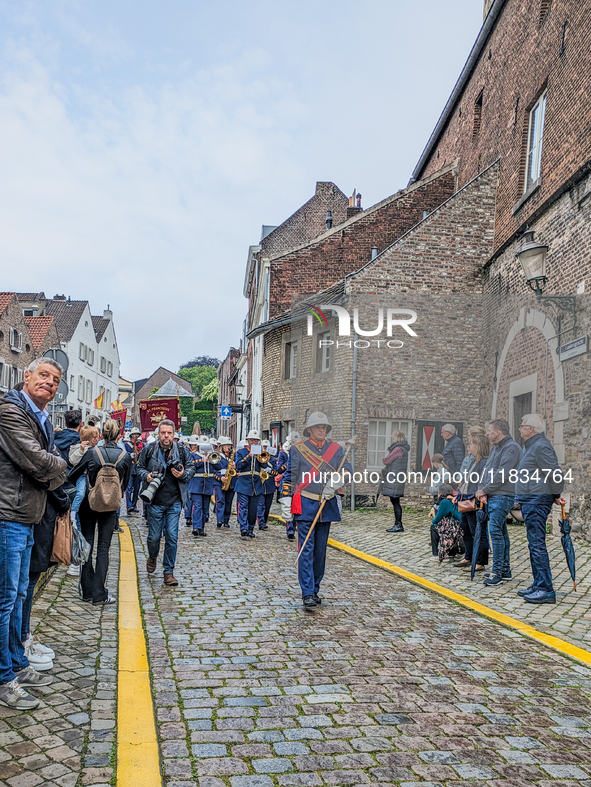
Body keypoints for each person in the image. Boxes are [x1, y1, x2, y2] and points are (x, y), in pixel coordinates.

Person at [0, 359, 67, 709]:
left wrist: (50, 468)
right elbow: (41, 463)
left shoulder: (40, 416)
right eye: (43, 376)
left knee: (20, 593)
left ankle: (17, 664)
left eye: (55, 380)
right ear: (26, 377)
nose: (49, 383)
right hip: (8, 515)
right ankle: (3, 678)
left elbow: (54, 467)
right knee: (6, 598)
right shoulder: (10, 412)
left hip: (27, 516)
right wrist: (50, 468)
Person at [280, 412, 352, 609]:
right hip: (305, 505)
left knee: (320, 553)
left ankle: (315, 588)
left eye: (324, 427)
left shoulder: (336, 449)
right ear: (310, 430)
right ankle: (307, 592)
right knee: (306, 550)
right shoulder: (298, 450)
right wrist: (286, 499)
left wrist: (338, 480)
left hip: (326, 505)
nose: (321, 430)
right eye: (318, 427)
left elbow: (347, 469)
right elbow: (290, 477)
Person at [68, 420, 131, 604]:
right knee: (104, 548)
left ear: (102, 435)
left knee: (87, 543)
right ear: (119, 436)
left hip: (89, 502)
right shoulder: (125, 456)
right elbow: (125, 486)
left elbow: (72, 475)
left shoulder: (92, 453)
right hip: (110, 506)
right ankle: (99, 593)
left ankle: (86, 589)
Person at [514, 414, 566, 604]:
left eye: (522, 426)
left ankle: (545, 589)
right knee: (533, 544)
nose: (519, 429)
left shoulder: (541, 446)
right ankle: (538, 583)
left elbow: (554, 473)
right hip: (531, 498)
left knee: (537, 544)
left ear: (531, 429)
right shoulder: (532, 446)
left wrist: (556, 494)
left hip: (537, 499)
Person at [137, 419, 194, 586]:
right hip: (155, 501)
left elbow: (191, 468)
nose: (166, 436)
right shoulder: (149, 450)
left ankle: (168, 571)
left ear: (174, 434)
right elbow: (139, 468)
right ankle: (153, 556)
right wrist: (146, 476)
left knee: (172, 536)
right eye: (163, 433)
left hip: (175, 501)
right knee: (154, 537)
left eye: (169, 433)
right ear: (158, 434)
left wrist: (182, 474)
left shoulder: (182, 450)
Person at [21, 486, 72, 671]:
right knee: (23, 587)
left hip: (38, 515)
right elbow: (49, 474)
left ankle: (23, 636)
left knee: (26, 585)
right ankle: (21, 640)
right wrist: (64, 500)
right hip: (33, 516)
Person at [476, 419, 521, 587]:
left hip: (503, 495)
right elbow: (487, 470)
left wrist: (485, 490)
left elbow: (503, 474)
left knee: (495, 532)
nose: (487, 434)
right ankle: (505, 570)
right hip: (492, 495)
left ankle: (497, 573)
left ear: (498, 431)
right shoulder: (495, 448)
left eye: (489, 430)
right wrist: (483, 490)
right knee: (501, 531)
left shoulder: (512, 448)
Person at [455, 432, 490, 571]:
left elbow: (481, 482)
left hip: (474, 501)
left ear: (478, 446)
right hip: (466, 499)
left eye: (472, 444)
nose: (469, 446)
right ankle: (469, 556)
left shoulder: (483, 463)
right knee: (466, 529)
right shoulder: (474, 462)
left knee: (477, 532)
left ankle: (479, 561)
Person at [234, 429, 266, 538]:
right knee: (243, 507)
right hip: (244, 482)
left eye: (256, 440)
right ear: (248, 441)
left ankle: (250, 528)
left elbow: (265, 466)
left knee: (253, 509)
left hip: (256, 484)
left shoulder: (260, 453)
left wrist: (264, 459)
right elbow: (238, 465)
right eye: (252, 440)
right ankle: (243, 527)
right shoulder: (241, 452)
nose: (254, 442)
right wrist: (249, 456)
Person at [379, 430, 410, 534]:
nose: (391, 438)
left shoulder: (397, 449)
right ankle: (398, 523)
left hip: (394, 479)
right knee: (396, 502)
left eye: (392, 436)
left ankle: (398, 524)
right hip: (398, 478)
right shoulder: (404, 449)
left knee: (395, 502)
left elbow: (386, 460)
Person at [188, 436, 215, 537]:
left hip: (207, 485)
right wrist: (201, 461)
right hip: (196, 485)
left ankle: (202, 528)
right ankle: (196, 527)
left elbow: (219, 466)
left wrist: (212, 459)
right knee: (197, 507)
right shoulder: (193, 455)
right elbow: (190, 465)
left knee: (205, 508)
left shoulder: (211, 456)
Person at [276, 432, 300, 539]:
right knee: (288, 506)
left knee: (297, 506)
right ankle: (290, 530)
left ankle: (296, 527)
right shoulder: (283, 453)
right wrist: (289, 462)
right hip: (287, 482)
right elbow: (279, 469)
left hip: (299, 483)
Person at [431, 484, 461, 563]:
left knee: (433, 527)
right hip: (460, 524)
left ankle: (436, 553)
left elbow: (438, 518)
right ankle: (452, 553)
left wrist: (433, 521)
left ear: (440, 493)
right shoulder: (455, 499)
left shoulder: (445, 502)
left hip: (455, 527)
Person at [213, 436, 235, 528]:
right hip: (219, 481)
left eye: (229, 445)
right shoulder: (216, 455)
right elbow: (213, 469)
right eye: (226, 445)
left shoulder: (233, 456)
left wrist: (235, 467)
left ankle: (226, 520)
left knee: (228, 502)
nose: (228, 447)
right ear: (221, 446)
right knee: (220, 500)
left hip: (230, 481)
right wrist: (220, 477)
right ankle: (220, 520)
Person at [257, 440, 277, 531]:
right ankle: (261, 523)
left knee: (267, 506)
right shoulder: (258, 458)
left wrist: (270, 471)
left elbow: (276, 472)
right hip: (260, 484)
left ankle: (264, 521)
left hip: (269, 485)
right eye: (263, 447)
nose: (265, 448)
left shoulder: (272, 460)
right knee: (260, 505)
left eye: (266, 447)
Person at [124, 428, 144, 514]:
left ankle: (134, 504)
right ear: (131, 435)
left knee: (136, 488)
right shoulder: (127, 445)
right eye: (134, 434)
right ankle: (129, 505)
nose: (136, 436)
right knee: (128, 488)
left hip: (138, 467)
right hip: (130, 467)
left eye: (137, 434)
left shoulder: (141, 445)